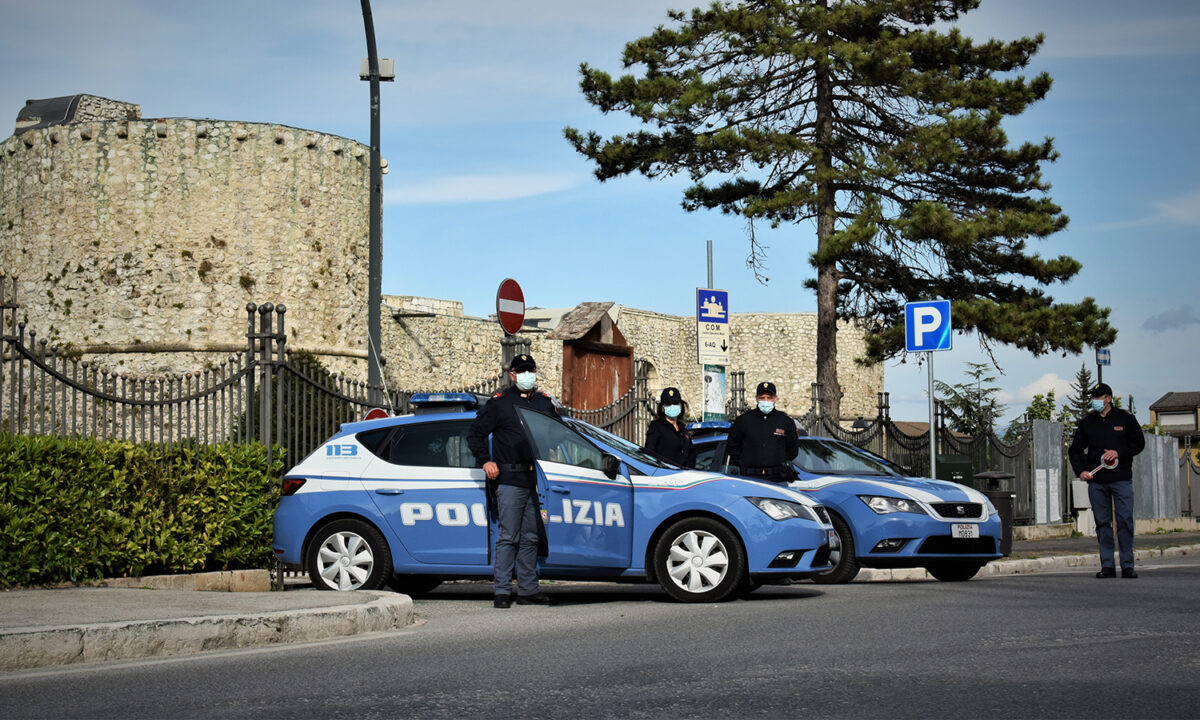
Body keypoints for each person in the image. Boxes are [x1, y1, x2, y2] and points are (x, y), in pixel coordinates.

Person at [467, 353, 557, 607]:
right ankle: (503, 591)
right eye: (523, 371)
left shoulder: (544, 403)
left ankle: (528, 590)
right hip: (508, 478)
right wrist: (486, 460)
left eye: (531, 370)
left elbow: (558, 433)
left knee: (530, 537)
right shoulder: (500, 403)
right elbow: (475, 434)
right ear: (513, 375)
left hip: (534, 479)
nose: (528, 375)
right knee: (509, 537)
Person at [1068, 382, 1146, 579]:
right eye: (1093, 398)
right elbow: (1075, 450)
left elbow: (1139, 443)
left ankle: (1127, 565)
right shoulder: (1087, 423)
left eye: (1098, 397)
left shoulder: (1125, 419)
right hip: (1097, 481)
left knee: (1125, 521)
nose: (1095, 401)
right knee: (1103, 523)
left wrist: (1118, 452)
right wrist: (1081, 471)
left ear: (1108, 399)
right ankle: (1108, 566)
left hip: (1121, 479)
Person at [726, 381, 799, 482]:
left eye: (769, 398)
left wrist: (778, 461)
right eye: (762, 398)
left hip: (777, 478)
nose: (766, 401)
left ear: (775, 399)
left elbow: (793, 449)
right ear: (756, 398)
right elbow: (732, 446)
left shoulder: (785, 421)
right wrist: (745, 461)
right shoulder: (743, 421)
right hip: (749, 478)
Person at [643, 387, 695, 468]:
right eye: (668, 404)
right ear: (662, 408)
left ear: (681, 406)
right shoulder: (657, 427)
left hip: (685, 475)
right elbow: (649, 453)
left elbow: (691, 453)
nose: (672, 406)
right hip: (665, 474)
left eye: (675, 403)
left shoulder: (683, 428)